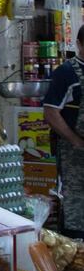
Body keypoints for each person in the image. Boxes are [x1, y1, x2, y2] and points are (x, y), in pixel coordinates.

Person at [42, 25, 84, 238]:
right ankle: (74, 251)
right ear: (79, 44)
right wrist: (75, 140)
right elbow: (51, 112)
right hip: (74, 153)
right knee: (76, 205)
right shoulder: (67, 72)